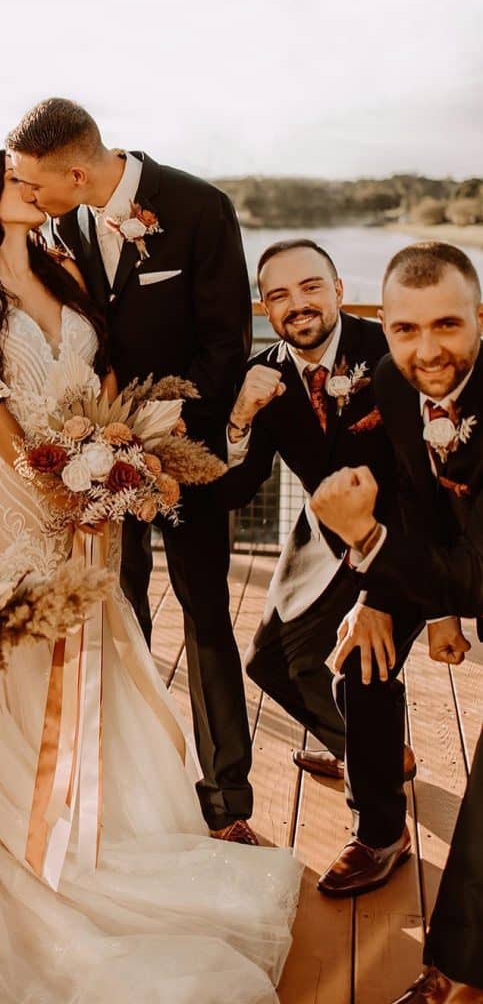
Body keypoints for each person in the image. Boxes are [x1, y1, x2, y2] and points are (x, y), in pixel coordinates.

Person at [0, 149, 300, 1004]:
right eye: (19, 184)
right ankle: (29, 821)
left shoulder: (62, 262)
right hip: (17, 490)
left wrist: (113, 454)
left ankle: (114, 817)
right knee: (27, 645)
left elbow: (106, 365)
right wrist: (49, 476)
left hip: (95, 487)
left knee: (100, 635)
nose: (36, 193)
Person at [6, 98, 257, 843]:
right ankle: (140, 785)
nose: (30, 196)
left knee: (206, 614)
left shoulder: (198, 208)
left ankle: (226, 800)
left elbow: (226, 340)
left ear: (76, 172)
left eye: (34, 183)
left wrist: (158, 434)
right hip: (96, 465)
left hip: (183, 454)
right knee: (122, 612)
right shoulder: (66, 224)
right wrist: (100, 444)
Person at [215, 240, 423, 895]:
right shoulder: (263, 373)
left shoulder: (391, 352)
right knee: (268, 661)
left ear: (336, 287)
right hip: (323, 533)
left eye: (309, 287)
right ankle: (375, 754)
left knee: (361, 668)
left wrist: (380, 597)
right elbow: (234, 491)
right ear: (264, 308)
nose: (296, 305)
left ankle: (381, 833)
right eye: (277, 295)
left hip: (404, 533)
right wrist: (239, 418)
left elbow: (426, 485)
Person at [310, 242, 483, 1002]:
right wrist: (380, 595)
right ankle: (380, 830)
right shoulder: (388, 378)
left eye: (446, 325)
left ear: (479, 316)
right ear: (383, 329)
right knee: (359, 658)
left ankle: (457, 970)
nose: (427, 349)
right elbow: (414, 495)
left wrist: (368, 543)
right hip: (442, 559)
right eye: (404, 329)